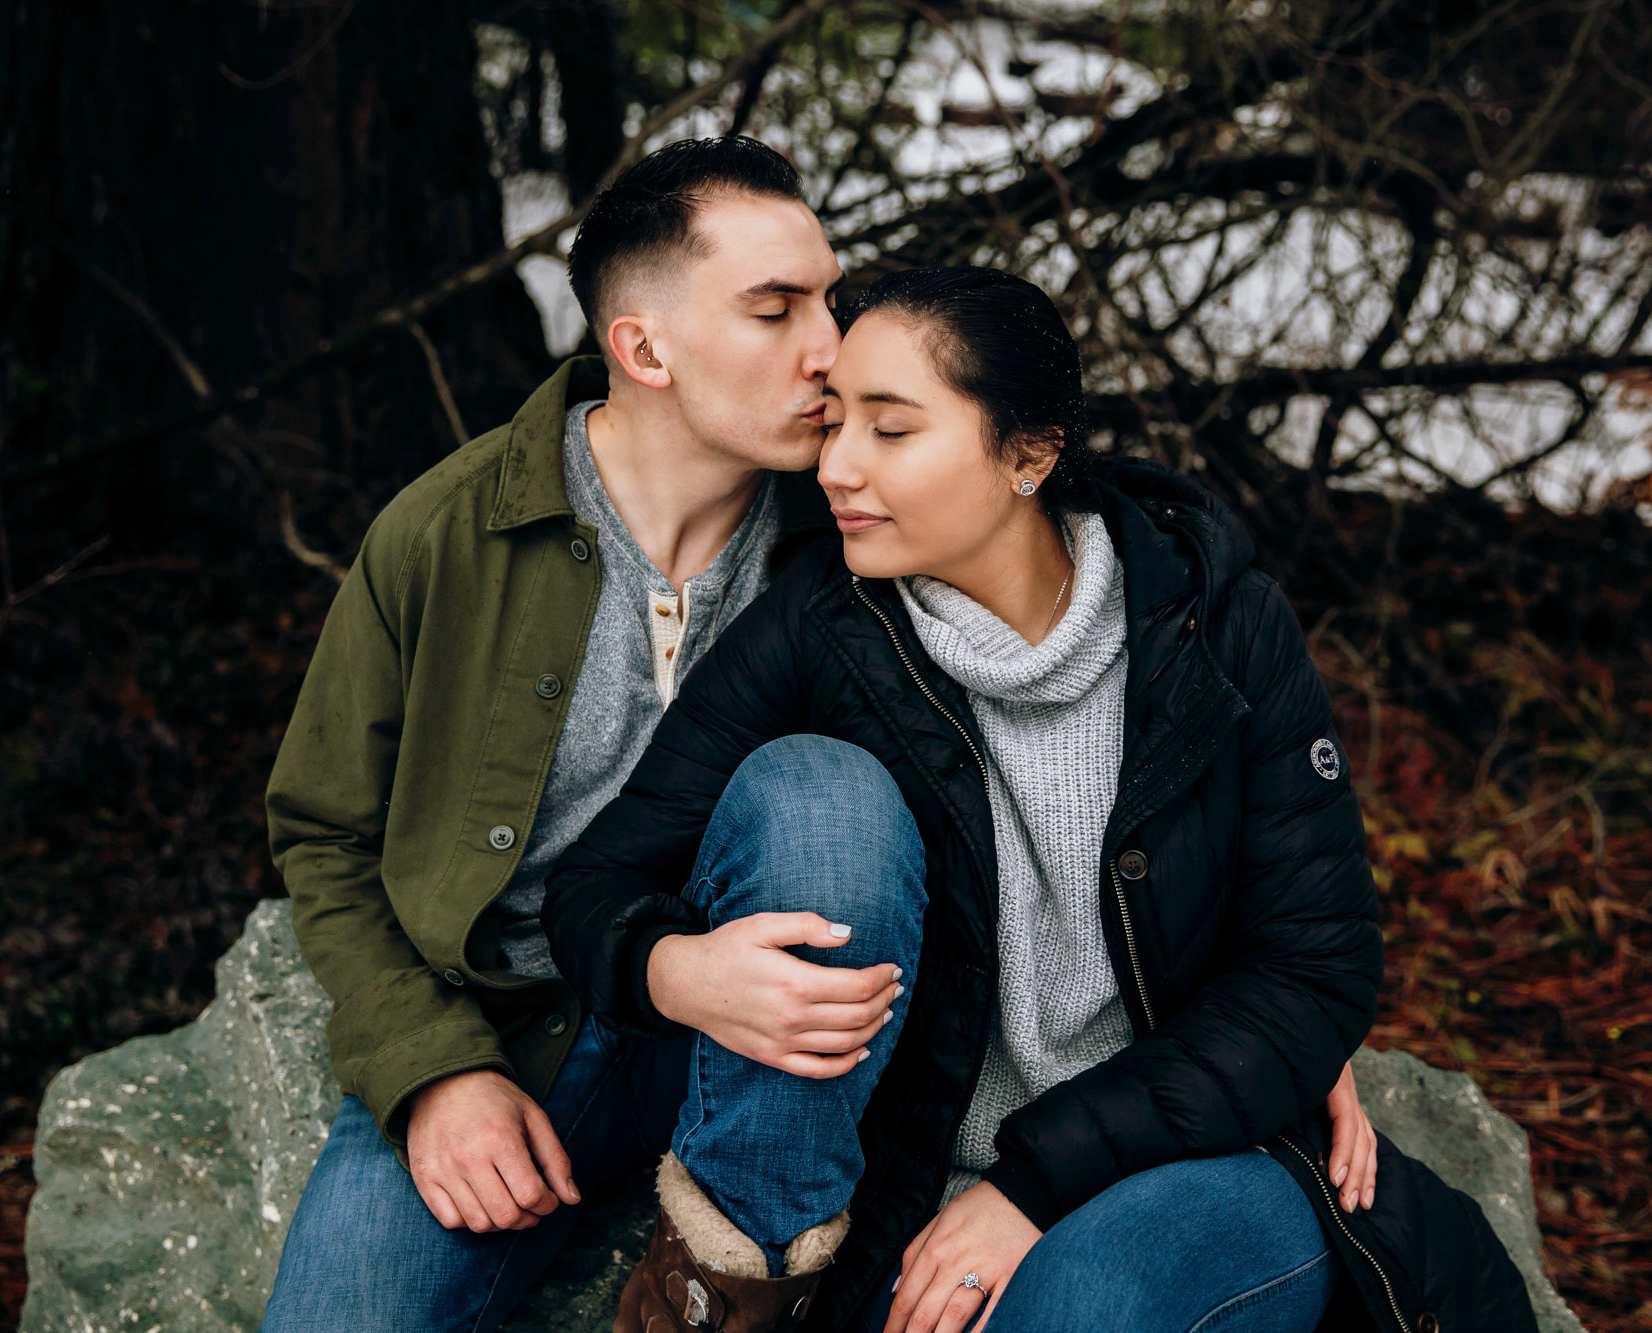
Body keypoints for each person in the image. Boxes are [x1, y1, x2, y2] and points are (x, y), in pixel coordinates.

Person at [259, 136, 1384, 1332]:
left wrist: (1266, 1015)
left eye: (830, 303)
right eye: (774, 308)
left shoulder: (864, 528)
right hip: (531, 1022)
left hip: (806, 1049)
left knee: (818, 796)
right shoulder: (457, 535)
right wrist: (432, 1067)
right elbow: (326, 834)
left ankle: (745, 1279)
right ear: (642, 348)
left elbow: (1274, 914)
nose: (824, 349)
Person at [542, 268, 1538, 1333]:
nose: (834, 465)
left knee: (1087, 1298)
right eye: (834, 422)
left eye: (890, 430)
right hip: (912, 1203)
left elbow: (1314, 968)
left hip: (1189, 1164)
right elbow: (599, 884)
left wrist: (1030, 1185)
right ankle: (734, 1302)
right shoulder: (820, 628)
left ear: (1028, 454)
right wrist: (675, 967)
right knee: (813, 793)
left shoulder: (1213, 623)